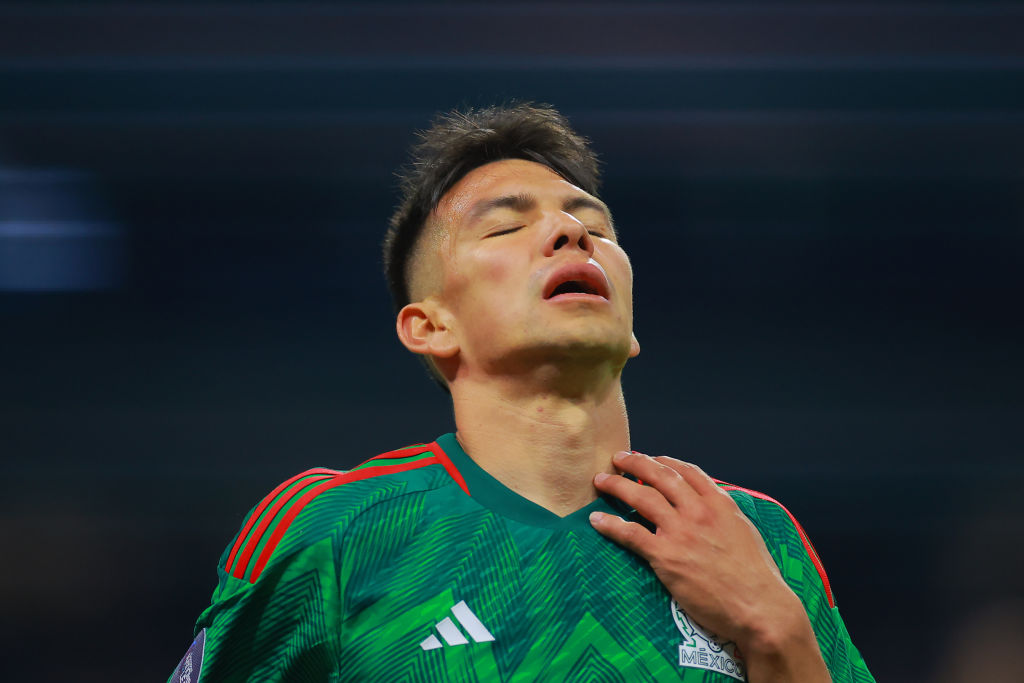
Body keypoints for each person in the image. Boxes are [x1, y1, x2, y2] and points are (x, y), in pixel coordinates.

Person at [169, 103, 874, 682]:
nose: (570, 232)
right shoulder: (339, 532)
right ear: (430, 326)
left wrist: (778, 632)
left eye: (595, 227)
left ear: (631, 326)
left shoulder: (753, 535)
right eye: (507, 225)